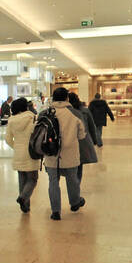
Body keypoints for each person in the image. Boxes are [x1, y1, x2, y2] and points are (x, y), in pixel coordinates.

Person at [43, 87, 87, 220]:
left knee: (53, 181)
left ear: (53, 98)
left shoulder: (45, 113)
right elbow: (81, 135)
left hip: (51, 153)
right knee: (72, 179)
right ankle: (74, 202)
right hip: (70, 154)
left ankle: (55, 211)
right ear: (67, 98)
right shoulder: (74, 113)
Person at [3, 97, 39, 213]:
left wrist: (16, 146)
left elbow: (8, 139)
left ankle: (25, 206)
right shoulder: (32, 118)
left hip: (18, 152)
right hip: (31, 152)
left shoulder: (11, 120)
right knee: (33, 179)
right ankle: (23, 198)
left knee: (22, 179)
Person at [68, 95, 100, 187]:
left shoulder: (66, 111)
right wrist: (94, 140)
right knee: (79, 164)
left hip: (69, 141)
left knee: (71, 165)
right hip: (82, 141)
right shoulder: (85, 111)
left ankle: (73, 185)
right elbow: (91, 127)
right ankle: (77, 185)